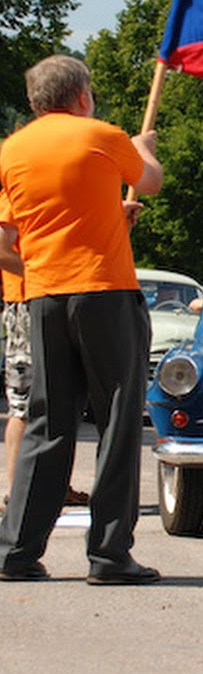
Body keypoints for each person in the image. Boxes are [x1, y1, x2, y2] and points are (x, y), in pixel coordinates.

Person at [0, 55, 162, 583]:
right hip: (106, 293)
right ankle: (109, 554)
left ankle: (16, 552)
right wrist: (142, 151)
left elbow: (10, 238)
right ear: (83, 96)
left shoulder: (11, 150)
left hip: (45, 297)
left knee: (48, 422)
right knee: (118, 422)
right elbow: (152, 181)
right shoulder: (103, 135)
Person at [0, 214, 88, 516]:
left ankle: (56, 485)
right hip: (27, 303)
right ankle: (16, 491)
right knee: (24, 401)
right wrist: (45, 276)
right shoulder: (13, 196)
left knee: (60, 397)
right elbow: (1, 250)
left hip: (53, 299)